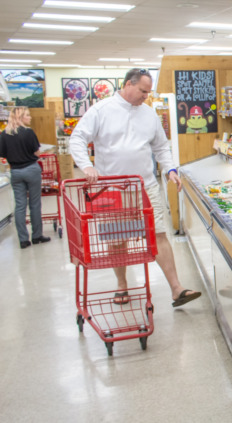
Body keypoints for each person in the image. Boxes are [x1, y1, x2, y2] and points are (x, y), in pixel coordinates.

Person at [70, 68, 201, 308]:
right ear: (128, 85)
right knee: (118, 239)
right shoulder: (101, 110)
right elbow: (77, 139)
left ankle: (176, 289)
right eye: (142, 91)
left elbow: (161, 146)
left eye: (148, 92)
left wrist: (171, 169)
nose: (145, 96)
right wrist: (87, 166)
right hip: (112, 188)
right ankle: (122, 286)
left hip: (145, 185)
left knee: (159, 234)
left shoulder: (149, 114)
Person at [0, 106, 51, 249]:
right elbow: (37, 153)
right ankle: (37, 236)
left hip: (15, 172)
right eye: (27, 115)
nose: (30, 117)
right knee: (35, 204)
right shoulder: (28, 133)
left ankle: (23, 239)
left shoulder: (4, 134)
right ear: (21, 117)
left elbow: (3, 155)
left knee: (20, 205)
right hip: (31, 170)